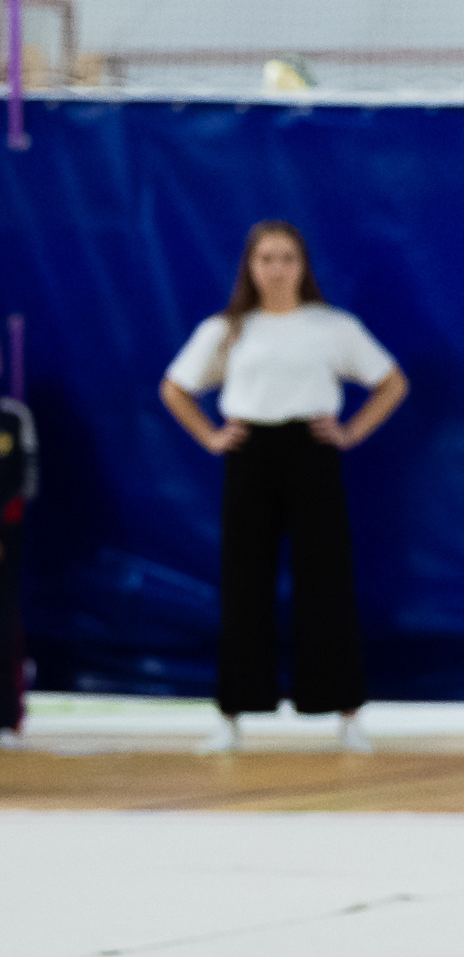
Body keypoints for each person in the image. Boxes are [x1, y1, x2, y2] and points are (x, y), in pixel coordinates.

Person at [160, 221, 409, 754]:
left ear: (304, 266)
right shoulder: (226, 329)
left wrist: (350, 432)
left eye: (288, 258)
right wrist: (210, 436)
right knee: (243, 581)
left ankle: (345, 713)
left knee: (327, 580)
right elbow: (175, 387)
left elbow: (391, 381)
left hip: (311, 455)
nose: (277, 269)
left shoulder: (332, 326)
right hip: (250, 456)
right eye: (266, 258)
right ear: (250, 266)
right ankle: (231, 714)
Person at [0, 370, 35, 750]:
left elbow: (25, 478)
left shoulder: (13, 416)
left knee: (4, 623)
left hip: (5, 535)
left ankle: (7, 716)